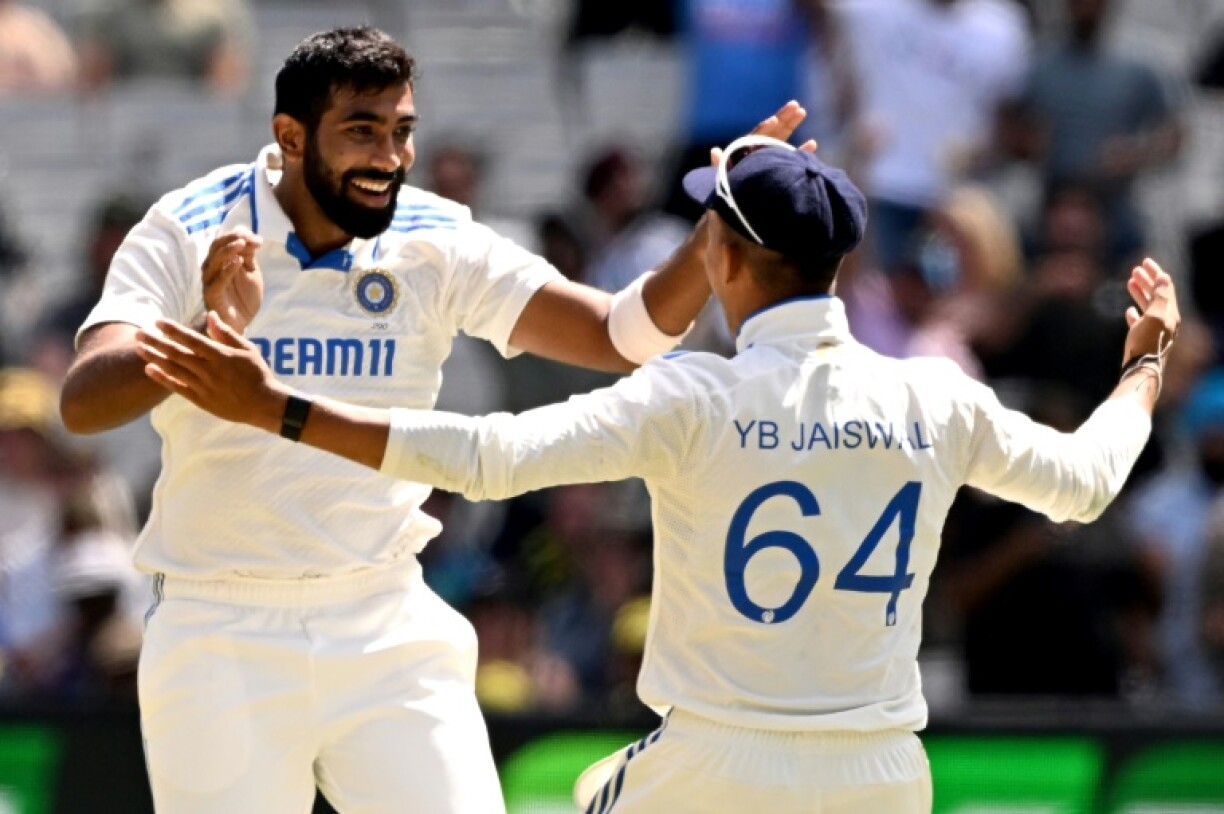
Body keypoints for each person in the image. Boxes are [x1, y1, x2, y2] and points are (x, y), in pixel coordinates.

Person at [134, 137, 1179, 811]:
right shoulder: (933, 395)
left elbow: (489, 459)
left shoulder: (693, 396)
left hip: (712, 766)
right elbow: (1087, 480)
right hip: (882, 772)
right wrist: (1145, 362)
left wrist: (278, 407)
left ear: (721, 255)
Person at [59, 25, 810, 814]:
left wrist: (715, 226)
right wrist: (212, 331)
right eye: (362, 131)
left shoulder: (434, 237)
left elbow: (623, 336)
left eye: (401, 131)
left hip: (383, 617)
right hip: (218, 623)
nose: (389, 157)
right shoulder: (190, 225)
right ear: (289, 135)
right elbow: (83, 401)